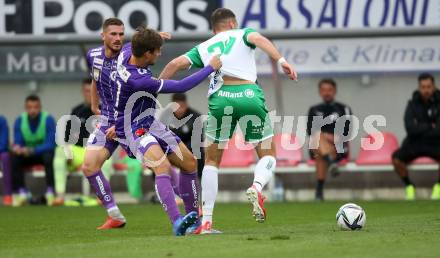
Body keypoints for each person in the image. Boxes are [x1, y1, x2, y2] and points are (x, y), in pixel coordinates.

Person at [159, 8, 297, 233]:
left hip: (220, 99)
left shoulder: (204, 47)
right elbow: (259, 39)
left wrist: (152, 89)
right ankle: (256, 186)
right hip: (248, 94)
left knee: (212, 161)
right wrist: (281, 60)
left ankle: (207, 222)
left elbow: (174, 64)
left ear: (214, 29)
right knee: (268, 154)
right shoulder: (242, 33)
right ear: (232, 23)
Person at [113, 26, 221, 236]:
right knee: (162, 166)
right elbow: (181, 87)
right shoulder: (139, 80)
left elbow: (133, 41)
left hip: (149, 122)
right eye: (157, 50)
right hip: (131, 129)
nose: (160, 53)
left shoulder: (128, 52)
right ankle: (177, 222)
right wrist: (210, 68)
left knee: (189, 162)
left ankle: (194, 225)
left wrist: (155, 37)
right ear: (147, 53)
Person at [83, 17, 171, 229]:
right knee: (88, 166)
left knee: (161, 163)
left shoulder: (128, 55)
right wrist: (95, 105)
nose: (118, 38)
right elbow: (95, 78)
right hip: (107, 120)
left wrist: (156, 36)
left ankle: (188, 204)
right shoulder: (92, 56)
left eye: (121, 34)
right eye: (113, 34)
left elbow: (144, 45)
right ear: (102, 35)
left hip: (130, 121)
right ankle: (115, 215)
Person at [53, 78, 113, 206]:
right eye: (87, 91)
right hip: (77, 152)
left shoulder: (106, 111)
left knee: (108, 160)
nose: (90, 94)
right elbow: (66, 139)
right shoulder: (76, 111)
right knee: (60, 152)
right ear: (83, 92)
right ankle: (60, 196)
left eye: (93, 91)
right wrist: (69, 153)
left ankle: (103, 197)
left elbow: (110, 137)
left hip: (95, 152)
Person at [392, 73, 440, 201]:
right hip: (415, 142)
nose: (426, 90)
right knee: (396, 158)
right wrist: (431, 126)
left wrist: (420, 127)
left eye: (428, 87)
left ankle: (438, 186)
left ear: (434, 87)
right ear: (419, 87)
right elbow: (410, 128)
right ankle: (409, 185)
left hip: (436, 142)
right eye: (423, 87)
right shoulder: (412, 103)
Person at [306, 79, 353, 201]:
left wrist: (328, 137)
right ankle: (331, 163)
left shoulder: (344, 108)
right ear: (320, 92)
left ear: (335, 91)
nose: (327, 93)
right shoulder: (314, 109)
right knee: (317, 137)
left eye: (329, 90)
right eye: (323, 90)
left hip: (339, 147)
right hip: (317, 146)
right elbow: (310, 131)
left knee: (320, 153)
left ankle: (319, 191)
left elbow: (346, 132)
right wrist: (325, 136)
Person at [11, 95, 56, 206]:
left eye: (35, 107)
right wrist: (18, 149)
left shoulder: (48, 119)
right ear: (25, 108)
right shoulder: (19, 120)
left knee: (49, 156)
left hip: (42, 155)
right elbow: (18, 141)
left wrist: (32, 150)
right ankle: (22, 192)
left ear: (40, 107)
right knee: (14, 158)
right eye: (30, 107)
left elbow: (50, 144)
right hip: (27, 155)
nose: (32, 110)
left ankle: (50, 191)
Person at [160, 93, 205, 179]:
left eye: (182, 106)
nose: (179, 110)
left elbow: (198, 139)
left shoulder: (195, 117)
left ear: (186, 104)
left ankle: (198, 179)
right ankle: (162, 182)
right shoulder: (165, 117)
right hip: (171, 148)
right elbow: (161, 137)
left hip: (190, 148)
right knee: (158, 154)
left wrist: (183, 150)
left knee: (199, 151)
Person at [0, 115, 12, 206]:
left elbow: (3, 143)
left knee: (5, 156)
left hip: (1, 150)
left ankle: (8, 195)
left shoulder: (2, 120)